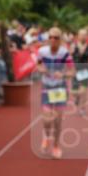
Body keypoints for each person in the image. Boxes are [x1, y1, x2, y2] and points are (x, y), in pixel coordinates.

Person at [36, 27, 73, 159]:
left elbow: (72, 71)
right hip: (47, 86)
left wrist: (62, 74)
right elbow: (38, 65)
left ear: (60, 40)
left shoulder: (64, 53)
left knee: (57, 119)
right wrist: (41, 69)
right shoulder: (42, 51)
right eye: (50, 37)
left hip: (59, 88)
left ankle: (56, 145)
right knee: (47, 119)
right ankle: (46, 136)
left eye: (56, 38)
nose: (52, 40)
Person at [71, 28, 88, 113]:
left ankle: (82, 108)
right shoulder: (73, 46)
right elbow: (69, 58)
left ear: (87, 36)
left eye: (85, 35)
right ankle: (77, 97)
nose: (83, 36)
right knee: (74, 92)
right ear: (78, 36)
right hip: (76, 70)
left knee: (84, 91)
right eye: (81, 35)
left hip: (85, 70)